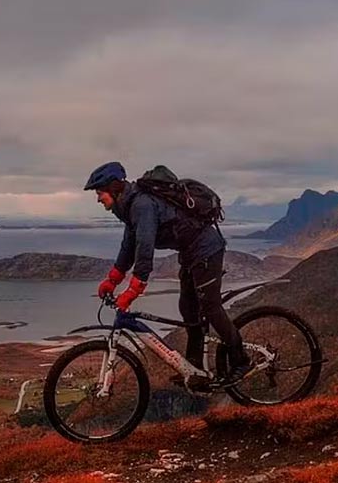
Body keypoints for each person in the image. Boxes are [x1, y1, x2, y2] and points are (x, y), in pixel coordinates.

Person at [84, 161, 252, 383]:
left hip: (206, 250)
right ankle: (195, 369)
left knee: (211, 307)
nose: (98, 198)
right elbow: (129, 246)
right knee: (188, 308)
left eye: (100, 193)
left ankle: (241, 361)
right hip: (191, 254)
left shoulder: (141, 205)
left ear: (113, 188)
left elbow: (144, 246)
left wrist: (135, 287)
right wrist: (113, 279)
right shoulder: (129, 207)